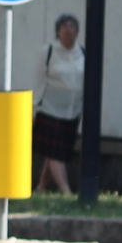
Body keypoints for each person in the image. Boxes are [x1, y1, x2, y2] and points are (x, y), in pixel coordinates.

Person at [34, 13, 84, 195]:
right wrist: (35, 105)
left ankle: (41, 188)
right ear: (57, 31)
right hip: (49, 109)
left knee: (57, 152)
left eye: (72, 27)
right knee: (55, 153)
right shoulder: (48, 51)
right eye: (65, 27)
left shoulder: (82, 53)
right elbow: (39, 79)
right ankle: (66, 191)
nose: (69, 31)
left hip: (72, 112)